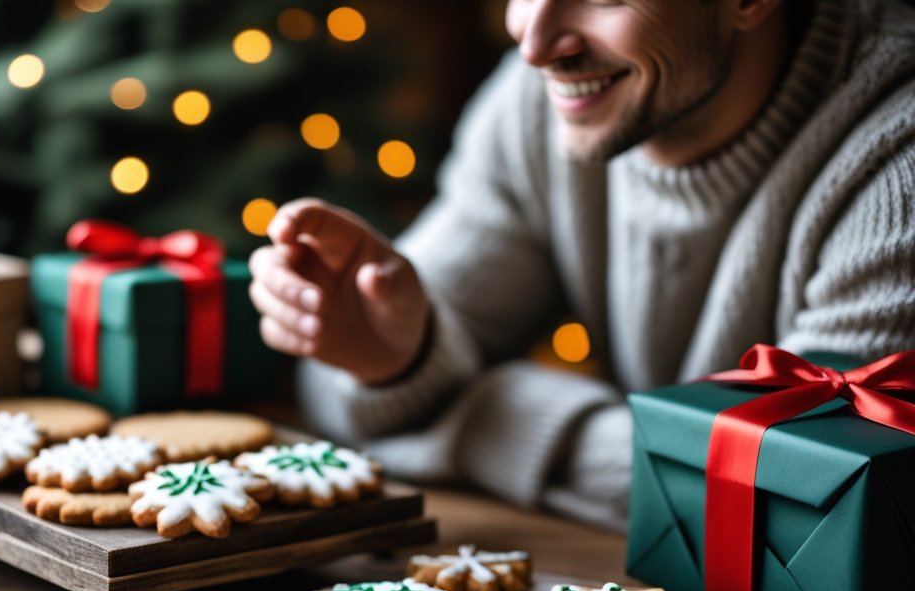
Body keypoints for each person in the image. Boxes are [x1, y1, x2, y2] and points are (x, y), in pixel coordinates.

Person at [248, 0, 915, 530]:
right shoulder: (538, 105)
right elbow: (339, 389)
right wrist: (394, 355)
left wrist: (481, 417)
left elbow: (804, 505)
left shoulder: (897, 158)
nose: (532, 41)